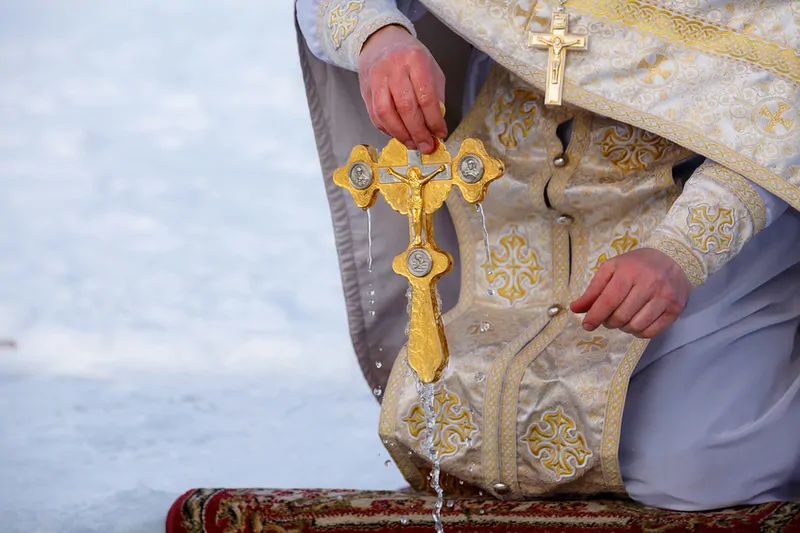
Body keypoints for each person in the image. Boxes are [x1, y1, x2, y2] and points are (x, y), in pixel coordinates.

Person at [295, 0, 800, 511]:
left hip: (688, 226)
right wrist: (379, 38)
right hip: (503, 212)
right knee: (445, 430)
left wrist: (682, 251)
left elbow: (784, 96)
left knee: (691, 466)